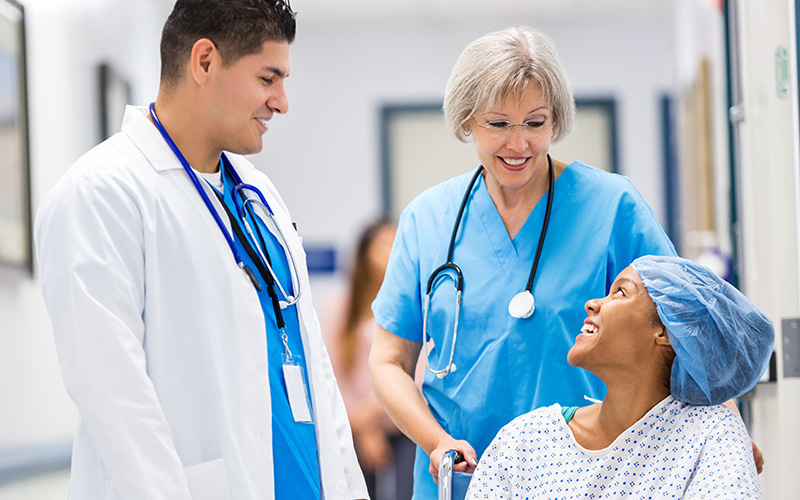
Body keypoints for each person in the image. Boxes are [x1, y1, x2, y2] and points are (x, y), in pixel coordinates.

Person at [34, 1, 367, 499]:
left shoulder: (259, 196)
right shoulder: (102, 194)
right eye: (268, 78)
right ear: (205, 61)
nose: (281, 101)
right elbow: (117, 403)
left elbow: (315, 368)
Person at [368, 26, 680, 499]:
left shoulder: (611, 206)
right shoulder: (427, 219)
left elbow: (687, 321)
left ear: (555, 120)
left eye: (535, 123)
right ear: (467, 120)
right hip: (459, 479)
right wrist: (436, 443)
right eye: (498, 124)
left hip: (584, 475)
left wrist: (724, 425)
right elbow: (389, 360)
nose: (519, 145)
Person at [467, 255, 773, 498]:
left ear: (666, 331)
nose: (593, 303)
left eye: (621, 292)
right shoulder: (524, 441)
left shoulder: (710, 436)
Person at [323, 219, 416, 500]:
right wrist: (361, 425)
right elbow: (330, 373)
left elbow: (420, 374)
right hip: (351, 425)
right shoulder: (337, 309)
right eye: (384, 244)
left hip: (405, 422)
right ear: (365, 253)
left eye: (397, 243)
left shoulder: (414, 305)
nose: (392, 251)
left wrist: (375, 414)